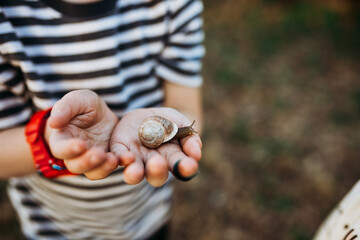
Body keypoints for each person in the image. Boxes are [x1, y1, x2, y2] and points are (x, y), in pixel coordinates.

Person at [0, 0, 205, 239]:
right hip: (53, 226)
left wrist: (183, 128)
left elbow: (188, 114)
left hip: (146, 218)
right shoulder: (8, 16)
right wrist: (50, 140)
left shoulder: (174, 5)